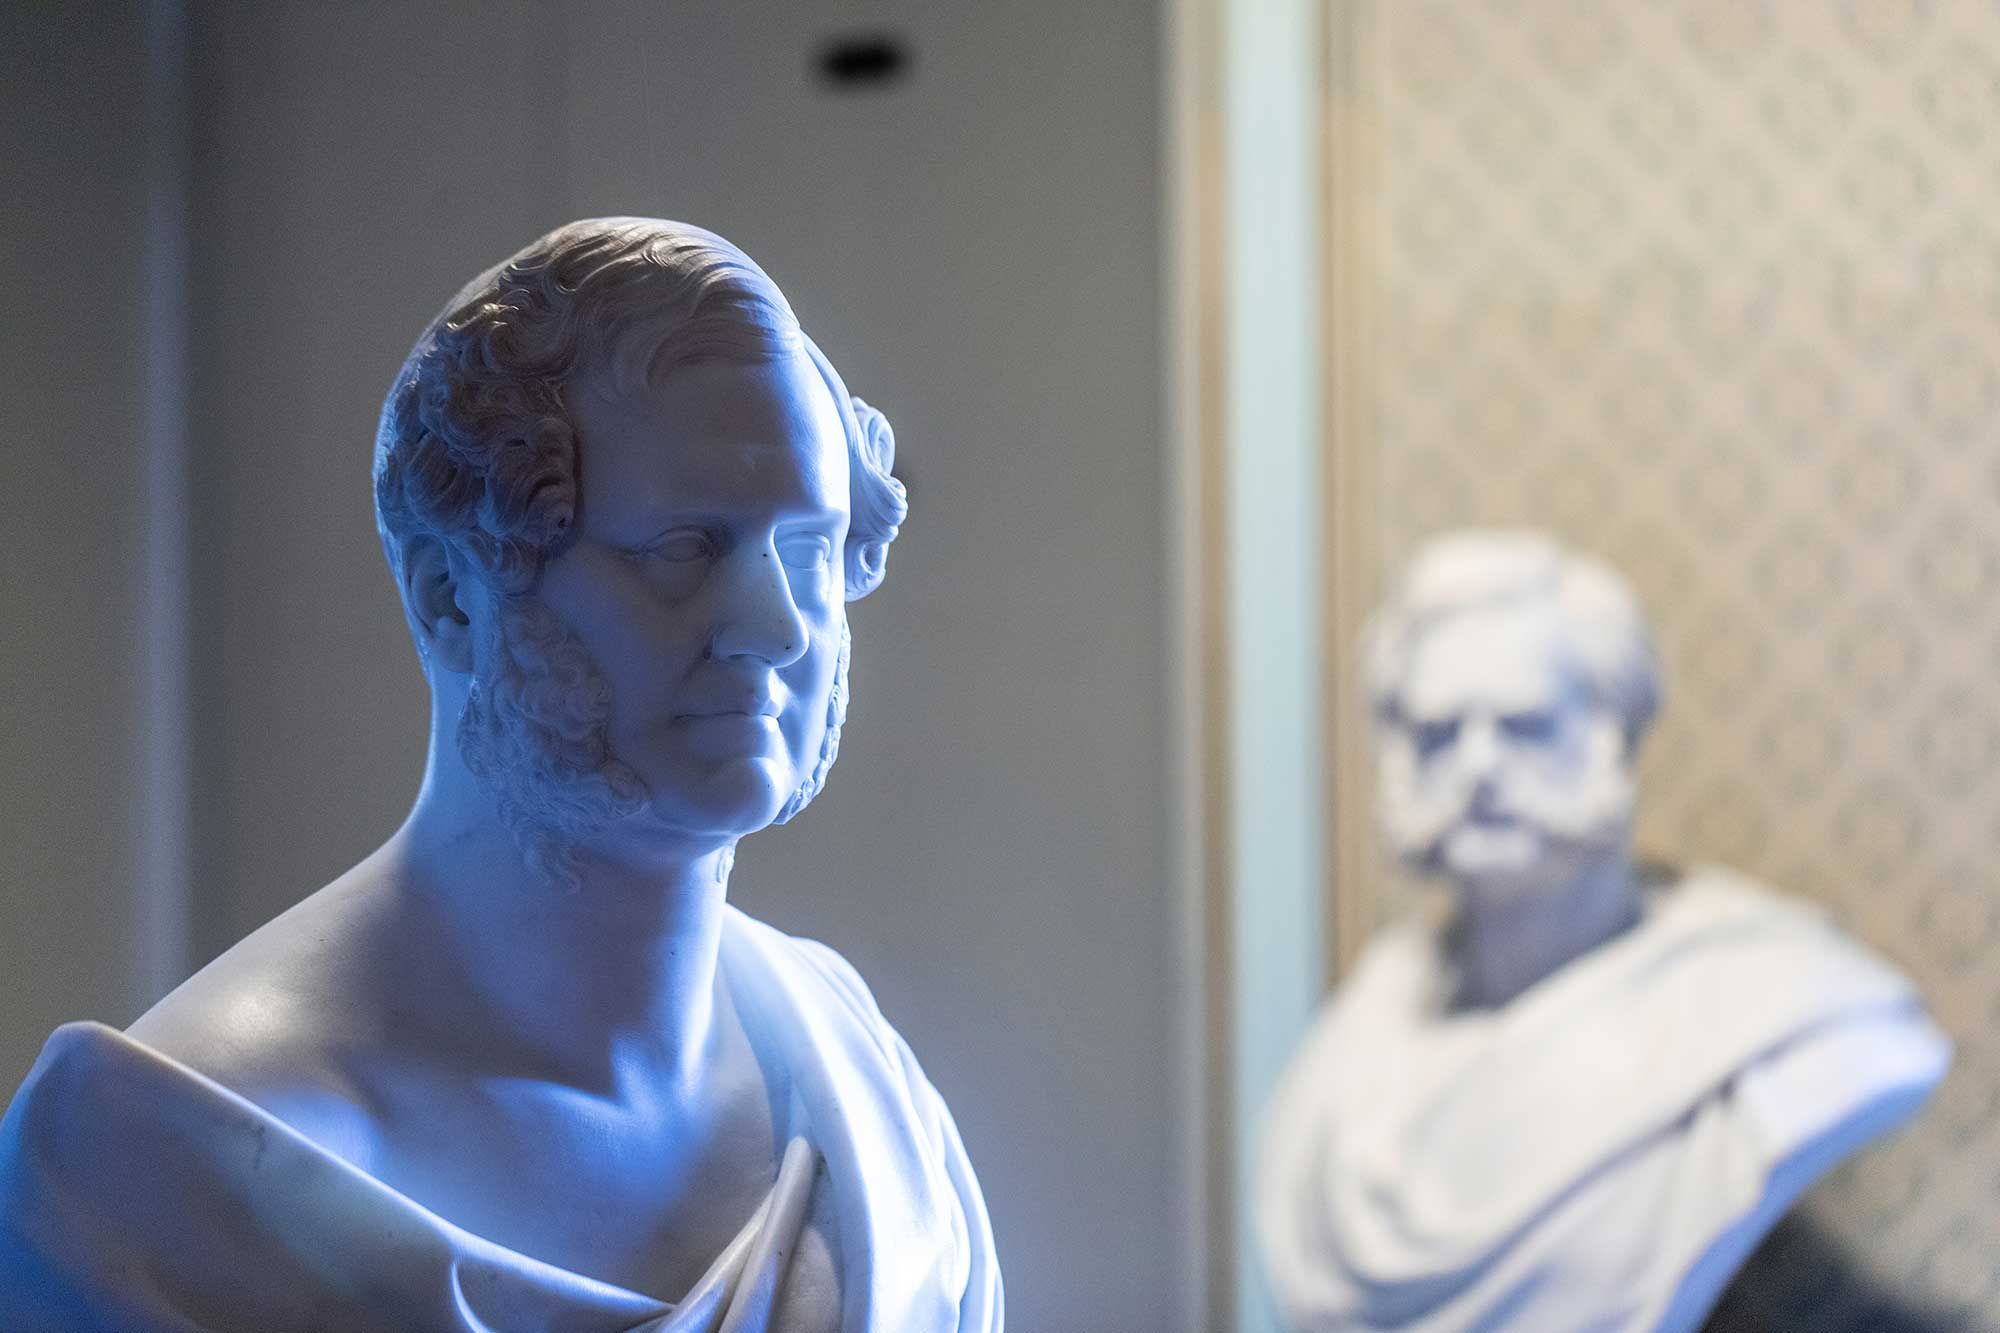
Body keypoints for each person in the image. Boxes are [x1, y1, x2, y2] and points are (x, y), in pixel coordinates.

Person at [0, 218, 1002, 1333]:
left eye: (808, 551)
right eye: (682, 547)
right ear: (450, 595)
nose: (773, 625)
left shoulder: (867, 1090)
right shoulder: (162, 1167)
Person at [1257, 529, 1948, 1333]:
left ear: (1612, 733)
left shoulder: (1787, 1008)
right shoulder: (1349, 1052)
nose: (1478, 767)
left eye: (1524, 725)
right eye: (1440, 732)